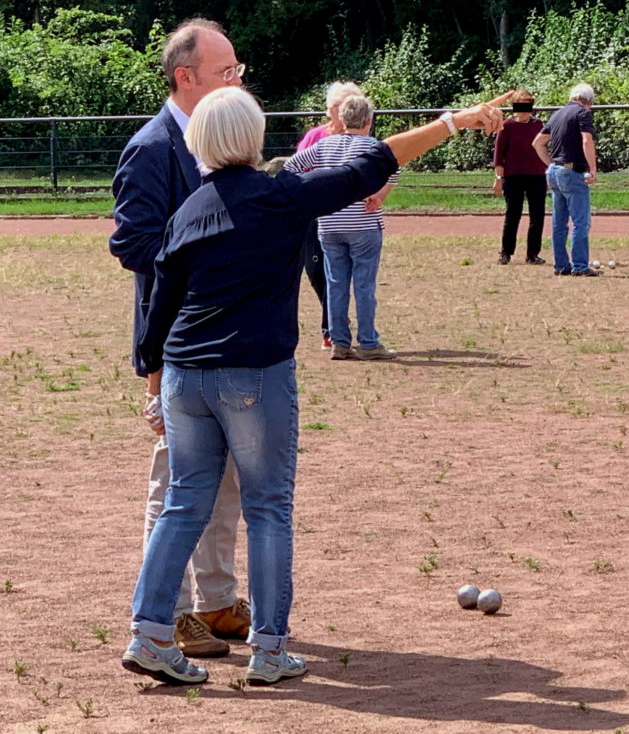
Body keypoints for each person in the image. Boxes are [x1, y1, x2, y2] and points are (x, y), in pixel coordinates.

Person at [121, 86, 506, 686]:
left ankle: (147, 635)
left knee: (184, 504)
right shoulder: (282, 196)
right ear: (254, 138)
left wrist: (153, 383)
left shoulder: (189, 210)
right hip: (253, 374)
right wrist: (451, 123)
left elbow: (159, 307)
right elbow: (375, 162)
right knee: (267, 508)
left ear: (198, 141)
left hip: (183, 378)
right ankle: (269, 650)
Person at [109, 18, 250, 660]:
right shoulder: (152, 147)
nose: (236, 82)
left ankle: (215, 601)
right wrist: (207, 250)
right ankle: (164, 617)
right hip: (177, 343)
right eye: (226, 73)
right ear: (184, 77)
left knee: (223, 480)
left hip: (225, 339)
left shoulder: (217, 141)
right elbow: (131, 243)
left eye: (237, 72)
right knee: (176, 484)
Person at [285, 95, 400, 361]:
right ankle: (369, 342)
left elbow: (292, 165)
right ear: (369, 121)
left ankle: (339, 341)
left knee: (336, 283)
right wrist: (379, 195)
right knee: (364, 284)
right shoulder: (375, 147)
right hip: (363, 223)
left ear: (342, 119)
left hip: (329, 223)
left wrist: (312, 191)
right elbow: (394, 170)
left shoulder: (325, 145)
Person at [295, 81, 365, 350]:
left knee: (342, 272)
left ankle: (331, 329)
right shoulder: (316, 136)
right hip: (314, 212)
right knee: (315, 270)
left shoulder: (361, 139)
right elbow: (297, 167)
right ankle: (337, 319)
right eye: (336, 106)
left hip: (348, 215)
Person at [532, 83, 599, 276]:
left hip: (554, 172)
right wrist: (593, 168)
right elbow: (587, 140)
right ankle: (580, 266)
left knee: (559, 222)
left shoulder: (557, 114)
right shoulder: (582, 114)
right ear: (589, 102)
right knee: (580, 222)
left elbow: (537, 143)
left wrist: (551, 164)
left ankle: (561, 265)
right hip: (572, 172)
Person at [493, 89, 547, 265]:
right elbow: (499, 155)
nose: (524, 110)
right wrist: (499, 178)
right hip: (513, 176)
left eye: (527, 106)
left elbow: (545, 149)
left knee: (537, 215)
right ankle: (506, 252)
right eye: (520, 106)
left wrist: (548, 173)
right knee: (513, 214)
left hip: (537, 175)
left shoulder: (539, 125)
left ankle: (533, 254)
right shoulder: (507, 126)